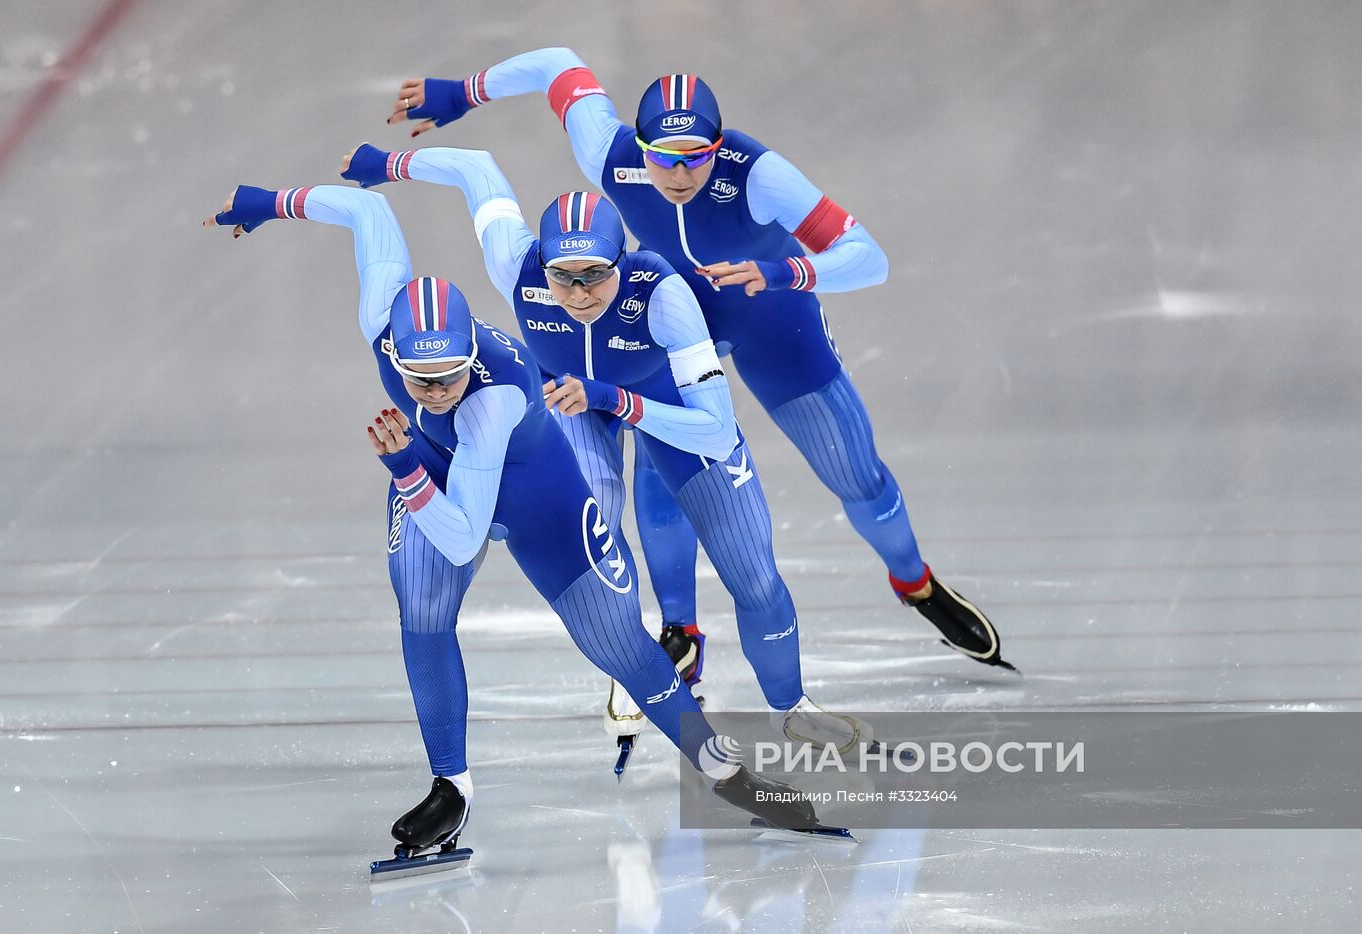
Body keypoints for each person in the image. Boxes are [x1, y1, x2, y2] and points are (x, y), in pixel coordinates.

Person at [201, 182, 826, 869]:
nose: (437, 391)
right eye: (420, 379)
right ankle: (451, 787)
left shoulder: (490, 400)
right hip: (443, 472)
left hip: (536, 497)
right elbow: (366, 210)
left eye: (450, 376)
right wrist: (271, 203)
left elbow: (466, 535)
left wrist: (407, 465)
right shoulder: (382, 321)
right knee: (423, 608)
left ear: (471, 352)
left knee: (622, 647)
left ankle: (727, 778)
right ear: (393, 352)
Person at [385, 49, 1014, 672]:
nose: (679, 174)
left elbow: (868, 257)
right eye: (663, 157)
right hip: (668, 321)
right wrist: (464, 91)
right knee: (667, 461)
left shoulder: (758, 175)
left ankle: (915, 582)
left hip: (770, 314)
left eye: (697, 158)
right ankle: (679, 627)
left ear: (719, 147)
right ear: (640, 145)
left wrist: (785, 271)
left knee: (853, 471)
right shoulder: (611, 154)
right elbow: (557, 66)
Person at [338, 142, 876, 758]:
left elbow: (715, 431)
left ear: (623, 262)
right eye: (562, 276)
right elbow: (476, 168)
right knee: (594, 533)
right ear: (541, 265)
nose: (580, 292)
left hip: (662, 410)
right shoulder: (517, 264)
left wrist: (618, 399)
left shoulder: (663, 294)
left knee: (752, 575)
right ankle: (635, 657)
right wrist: (386, 166)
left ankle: (791, 708)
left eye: (596, 273)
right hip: (573, 407)